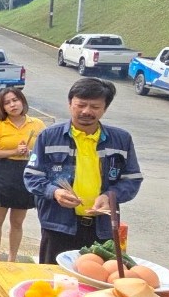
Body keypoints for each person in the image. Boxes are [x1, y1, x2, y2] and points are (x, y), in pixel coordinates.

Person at [24, 76, 143, 265]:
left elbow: (132, 179)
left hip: (102, 229)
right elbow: (32, 176)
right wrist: (55, 192)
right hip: (58, 226)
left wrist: (110, 196)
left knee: (96, 282)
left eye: (95, 107)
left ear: (105, 108)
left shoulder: (121, 140)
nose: (87, 111)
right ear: (70, 103)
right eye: (81, 105)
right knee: (56, 280)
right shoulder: (49, 137)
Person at [0, 87, 45, 261]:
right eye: (7, 103)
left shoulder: (37, 124)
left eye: (15, 100)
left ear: (22, 101)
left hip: (26, 173)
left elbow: (44, 151)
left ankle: (12, 258)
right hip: (3, 172)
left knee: (17, 221)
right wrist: (13, 151)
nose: (12, 105)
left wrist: (29, 152)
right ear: (2, 108)